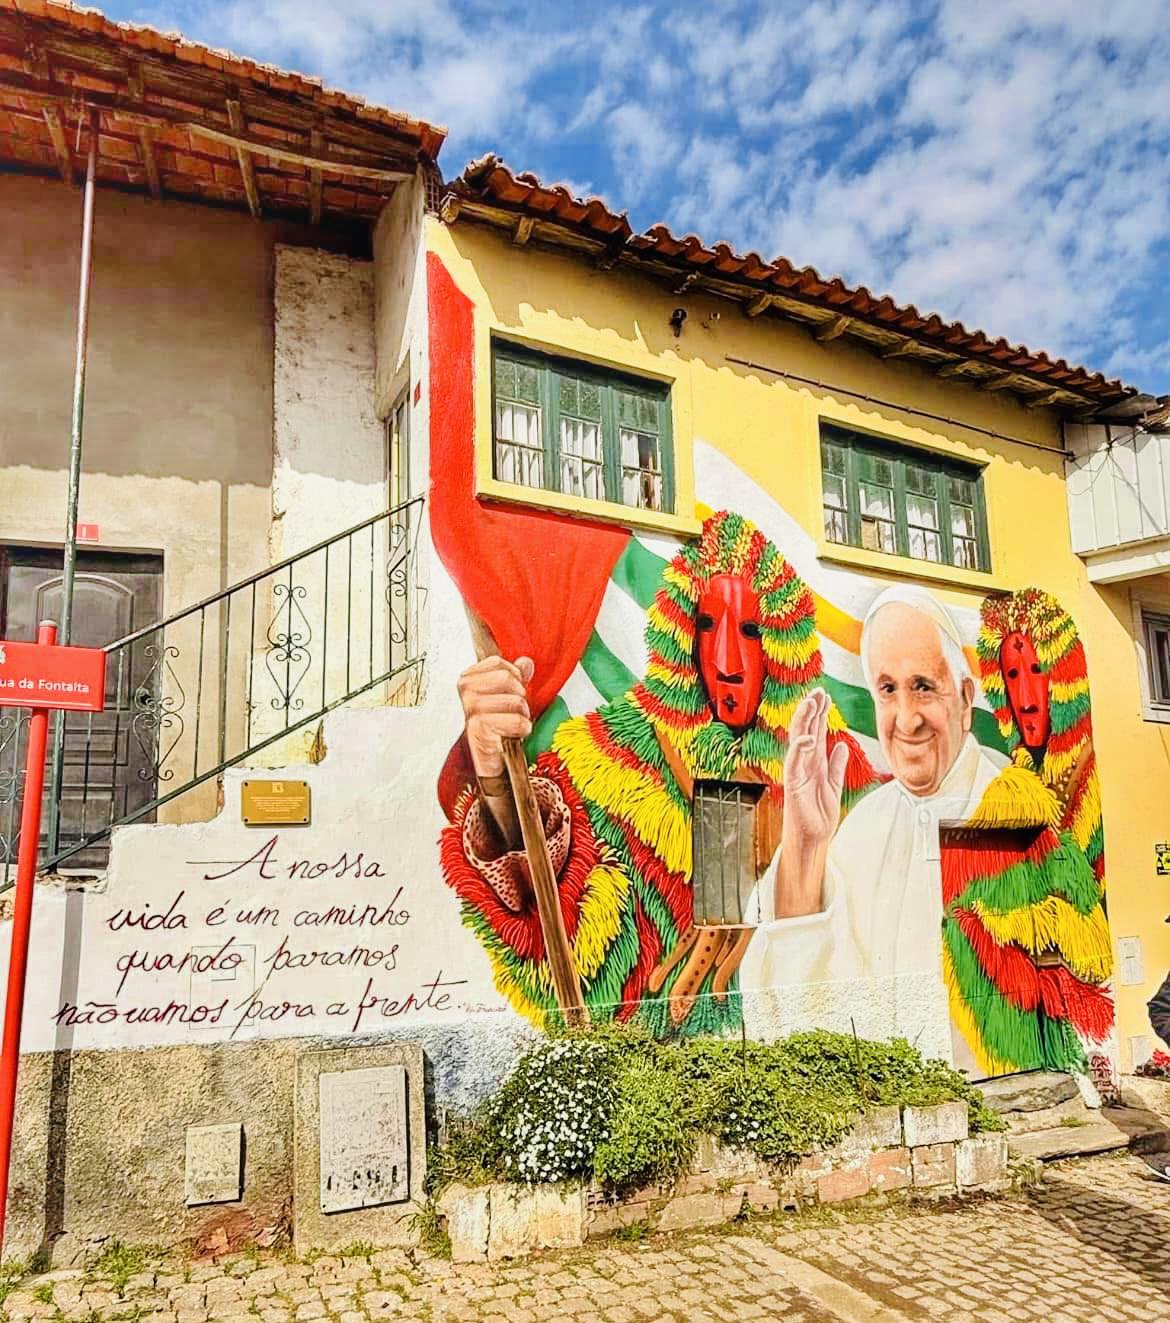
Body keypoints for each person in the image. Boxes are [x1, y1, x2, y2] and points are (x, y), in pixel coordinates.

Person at [439, 510, 877, 1035]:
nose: (728, 660)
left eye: (751, 631)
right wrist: (492, 775)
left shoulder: (832, 768)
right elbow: (536, 892)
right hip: (648, 1080)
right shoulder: (611, 754)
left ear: (783, 647)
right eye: (707, 627)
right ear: (681, 636)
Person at [738, 586, 1007, 1059]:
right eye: (887, 689)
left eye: (923, 685)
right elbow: (804, 1008)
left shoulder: (1013, 810)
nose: (906, 720)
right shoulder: (865, 826)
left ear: (965, 699)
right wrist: (804, 843)